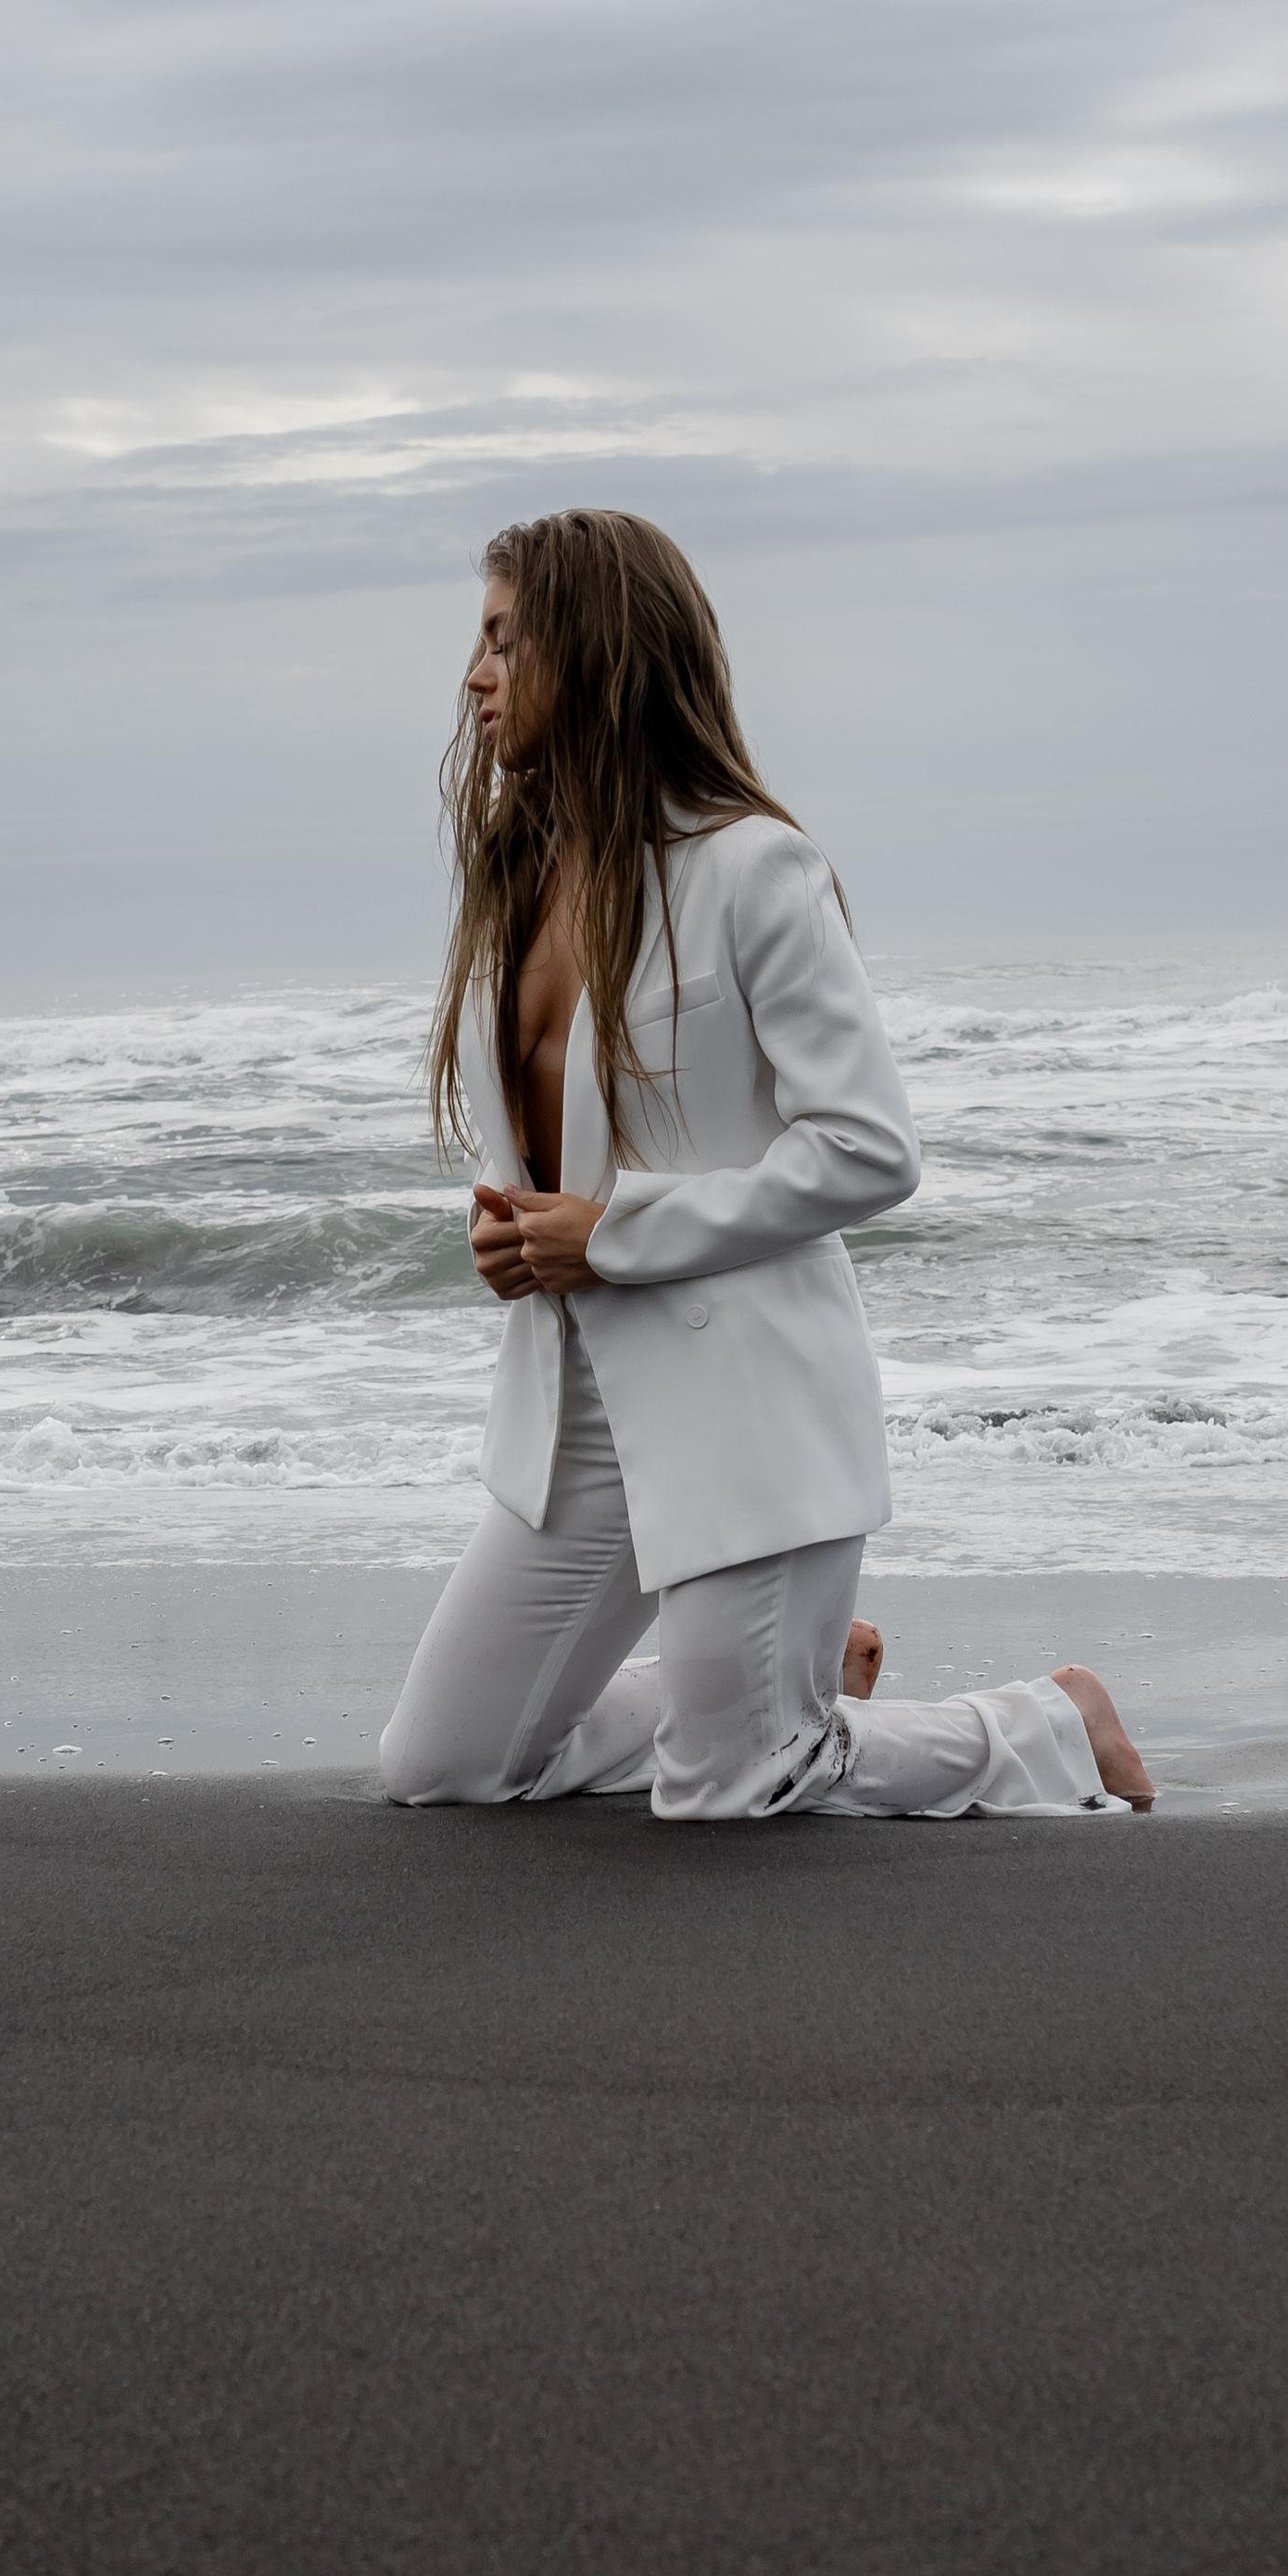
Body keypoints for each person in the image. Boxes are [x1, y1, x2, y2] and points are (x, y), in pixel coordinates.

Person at [378, 509, 1155, 1821]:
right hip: (575, 1418)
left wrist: (612, 1235)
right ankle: (786, 1695)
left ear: (598, 648)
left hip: (744, 1409)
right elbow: (565, 1145)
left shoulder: (750, 868)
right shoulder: (516, 887)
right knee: (441, 1769)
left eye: (504, 640)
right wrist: (511, 1231)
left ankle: (1047, 1724)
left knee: (726, 1789)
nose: (474, 676)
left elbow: (868, 1148)